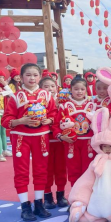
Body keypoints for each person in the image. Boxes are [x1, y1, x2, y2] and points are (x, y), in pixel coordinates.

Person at [2, 63, 57, 221]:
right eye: (28, 75)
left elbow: (54, 114)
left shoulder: (46, 96)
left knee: (41, 171)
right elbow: (6, 120)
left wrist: (49, 120)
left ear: (40, 77)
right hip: (21, 137)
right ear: (21, 77)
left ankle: (39, 204)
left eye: (35, 75)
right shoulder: (15, 96)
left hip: (41, 137)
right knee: (21, 172)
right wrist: (21, 120)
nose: (32, 78)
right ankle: (25, 206)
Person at [68, 105, 111, 222]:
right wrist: (79, 199)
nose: (108, 149)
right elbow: (86, 181)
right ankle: (80, 206)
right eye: (105, 146)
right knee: (89, 200)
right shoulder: (97, 161)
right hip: (97, 201)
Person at [53, 75, 96, 187]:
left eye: (82, 89)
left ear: (86, 89)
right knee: (73, 170)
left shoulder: (92, 104)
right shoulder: (65, 106)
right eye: (76, 89)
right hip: (71, 143)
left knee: (88, 170)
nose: (79, 92)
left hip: (89, 142)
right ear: (70, 90)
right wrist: (61, 137)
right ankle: (75, 198)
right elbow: (56, 124)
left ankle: (87, 198)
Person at [40, 77, 68, 209]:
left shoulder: (63, 103)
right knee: (46, 170)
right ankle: (47, 197)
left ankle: (61, 195)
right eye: (46, 86)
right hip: (44, 141)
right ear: (41, 89)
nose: (50, 89)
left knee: (61, 169)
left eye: (52, 86)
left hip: (60, 141)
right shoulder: (37, 103)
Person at [0, 69, 12, 162]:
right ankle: (0, 154)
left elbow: (10, 93)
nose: (1, 79)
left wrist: (1, 92)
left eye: (3, 77)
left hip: (3, 111)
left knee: (3, 132)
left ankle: (5, 150)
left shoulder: (2, 88)